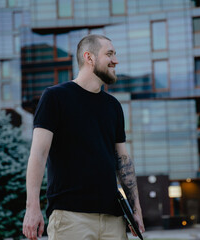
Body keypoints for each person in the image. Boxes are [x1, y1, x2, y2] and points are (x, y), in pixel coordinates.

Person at [22, 34, 145, 240]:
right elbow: (38, 155)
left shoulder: (113, 106)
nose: (116, 60)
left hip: (113, 220)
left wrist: (136, 209)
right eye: (109, 54)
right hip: (71, 219)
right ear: (89, 57)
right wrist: (32, 207)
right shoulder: (55, 97)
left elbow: (123, 161)